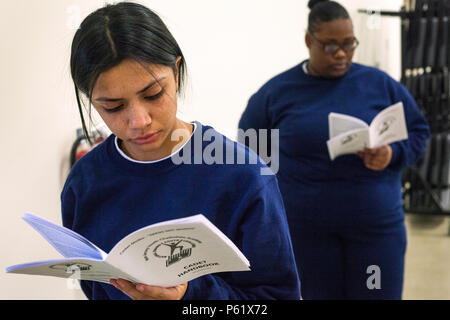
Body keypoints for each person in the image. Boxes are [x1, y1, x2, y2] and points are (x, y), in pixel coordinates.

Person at [63, 2, 300, 300]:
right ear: (91, 99)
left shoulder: (243, 176)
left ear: (175, 72)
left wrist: (190, 297)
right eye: (113, 107)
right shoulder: (84, 182)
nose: (139, 121)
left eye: (153, 94)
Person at [238, 0, 430, 300]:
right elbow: (250, 154)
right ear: (308, 41)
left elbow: (419, 132)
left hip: (374, 231)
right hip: (307, 234)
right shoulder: (276, 93)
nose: (341, 54)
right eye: (329, 46)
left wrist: (393, 153)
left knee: (375, 293)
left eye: (349, 44)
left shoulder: (380, 85)